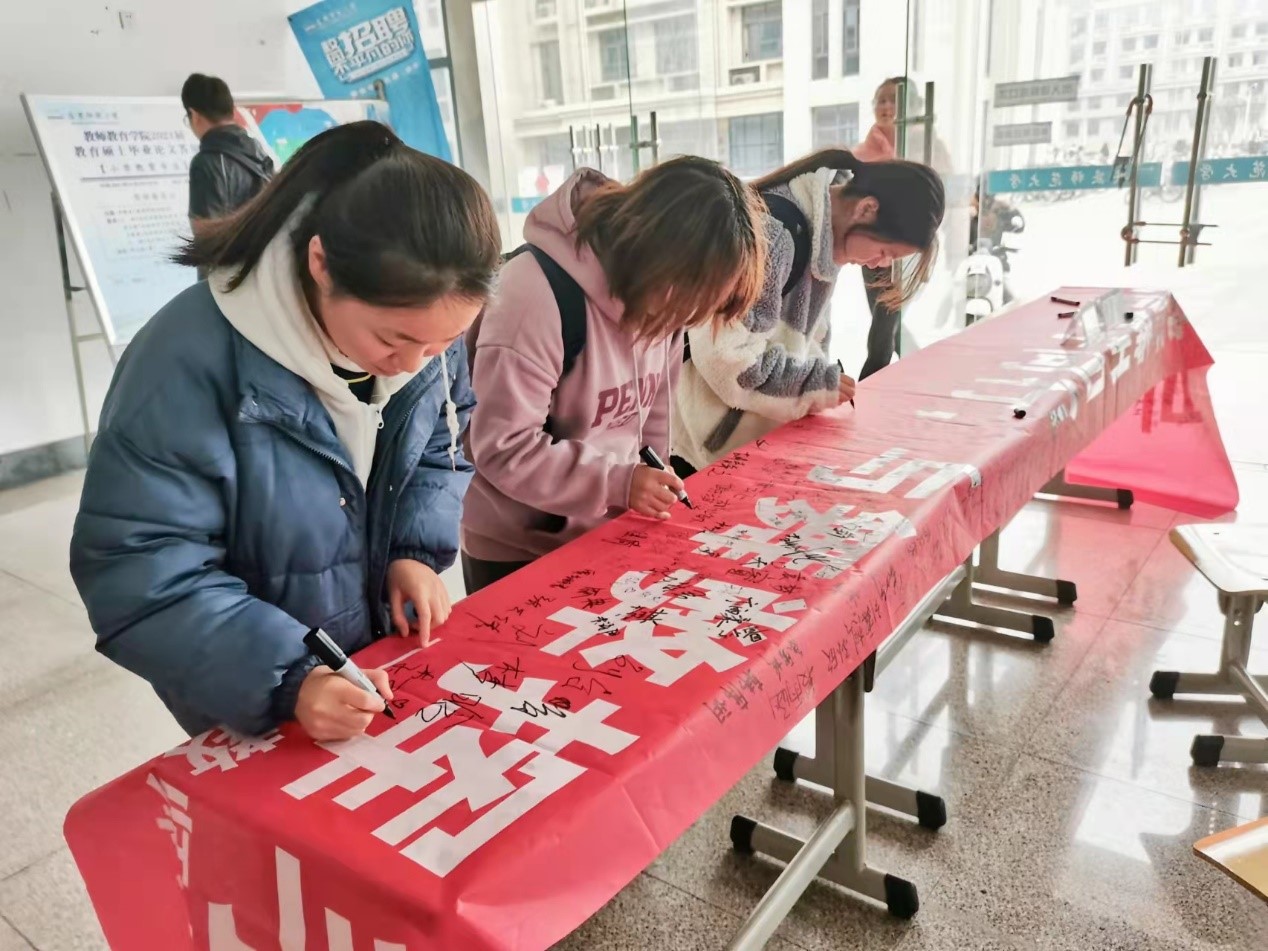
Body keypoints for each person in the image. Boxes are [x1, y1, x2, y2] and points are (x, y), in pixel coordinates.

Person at [70, 122, 501, 742]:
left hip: (374, 663)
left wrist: (411, 549)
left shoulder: (427, 326)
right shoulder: (184, 362)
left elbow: (442, 440)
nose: (413, 363)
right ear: (320, 263)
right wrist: (289, 679)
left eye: (444, 343)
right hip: (247, 687)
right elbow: (140, 572)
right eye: (393, 340)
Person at [460, 157, 766, 594]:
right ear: (657, 256)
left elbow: (652, 414)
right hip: (518, 549)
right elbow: (503, 448)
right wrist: (619, 482)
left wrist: (651, 474)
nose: (685, 321)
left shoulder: (666, 302)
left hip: (607, 529)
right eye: (687, 304)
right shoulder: (533, 295)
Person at [671, 147, 944, 476]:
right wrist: (814, 384)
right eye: (885, 251)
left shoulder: (824, 241)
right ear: (866, 208)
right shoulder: (774, 236)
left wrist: (821, 383)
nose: (878, 264)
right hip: (706, 449)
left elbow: (806, 339)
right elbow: (729, 360)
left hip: (751, 442)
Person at [181, 73, 274, 233]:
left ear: (194, 116)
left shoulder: (206, 163)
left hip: (234, 249)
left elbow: (204, 235)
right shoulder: (258, 151)